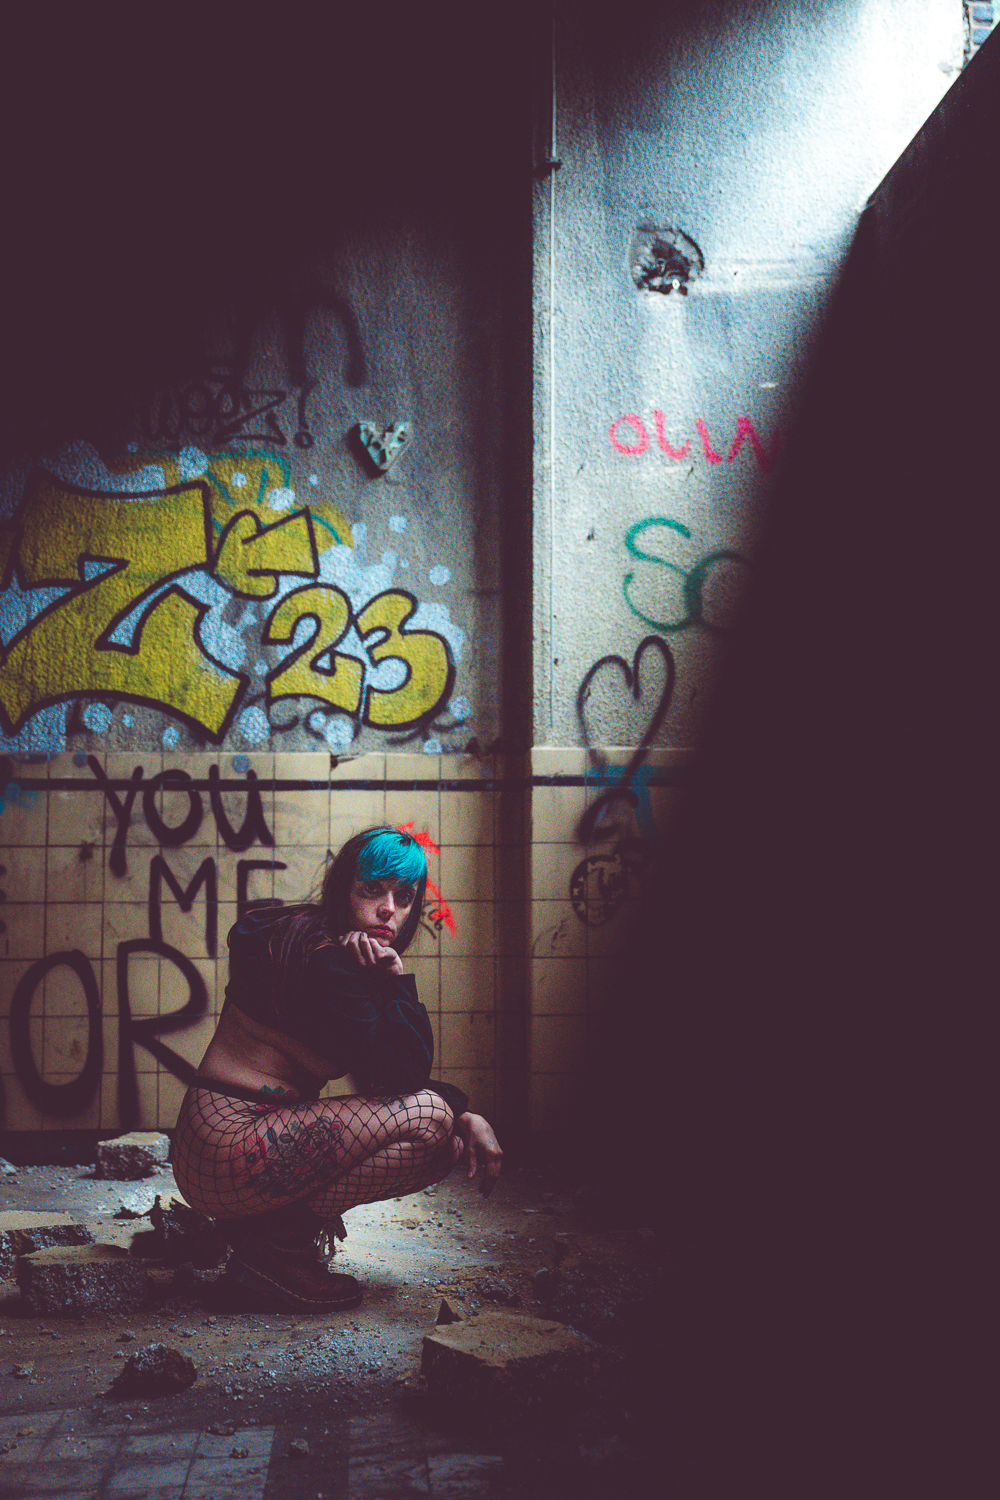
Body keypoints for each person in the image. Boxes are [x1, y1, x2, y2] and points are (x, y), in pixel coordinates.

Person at [172, 825, 502, 1312]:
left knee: (444, 1141)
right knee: (431, 1118)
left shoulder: (316, 943)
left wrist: (463, 1113)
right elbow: (403, 1077)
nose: (389, 909)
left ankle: (266, 1238)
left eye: (404, 896)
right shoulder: (328, 963)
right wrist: (394, 980)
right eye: (372, 890)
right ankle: (275, 1248)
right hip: (230, 1143)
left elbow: (383, 1079)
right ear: (343, 889)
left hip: (213, 1146)